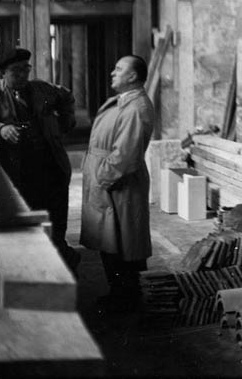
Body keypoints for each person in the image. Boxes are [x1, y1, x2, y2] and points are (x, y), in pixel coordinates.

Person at [0, 47, 81, 273]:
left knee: (55, 216)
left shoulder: (43, 89)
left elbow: (67, 97)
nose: (22, 76)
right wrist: (0, 128)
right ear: (1, 74)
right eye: (15, 71)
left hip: (50, 165)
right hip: (15, 169)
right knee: (23, 218)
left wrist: (65, 122)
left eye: (25, 70)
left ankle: (61, 258)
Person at [80, 54, 154, 313]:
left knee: (123, 244)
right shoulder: (125, 102)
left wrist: (102, 178)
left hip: (118, 183)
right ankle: (120, 295)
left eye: (119, 69)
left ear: (133, 76)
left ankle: (126, 299)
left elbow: (126, 155)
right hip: (110, 180)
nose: (112, 72)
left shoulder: (135, 107)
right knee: (113, 242)